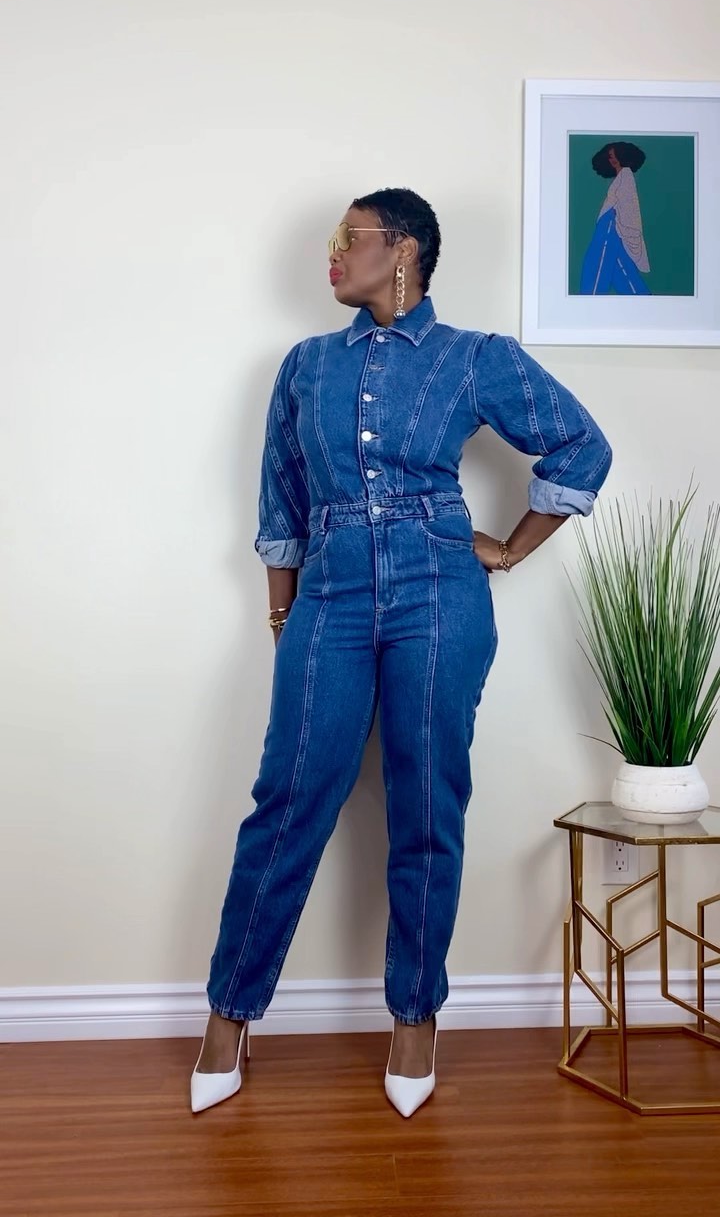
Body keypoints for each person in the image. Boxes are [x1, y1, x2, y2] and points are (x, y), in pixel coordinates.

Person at [191, 187, 612, 1118]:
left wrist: (510, 547)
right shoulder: (306, 365)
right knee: (289, 798)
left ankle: (415, 1018)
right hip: (330, 593)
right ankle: (230, 1014)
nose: (334, 254)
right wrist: (283, 618)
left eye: (350, 238)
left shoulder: (474, 357)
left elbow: (581, 445)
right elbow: (281, 500)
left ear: (405, 250)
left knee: (427, 805)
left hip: (439, 592)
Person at [579, 141, 651, 295]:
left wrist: (628, 232)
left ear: (623, 156)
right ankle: (643, 300)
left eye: (615, 156)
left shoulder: (625, 175)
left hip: (612, 226)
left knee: (596, 265)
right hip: (609, 225)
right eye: (610, 156)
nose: (612, 159)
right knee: (620, 269)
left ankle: (589, 301)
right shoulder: (622, 176)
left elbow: (628, 206)